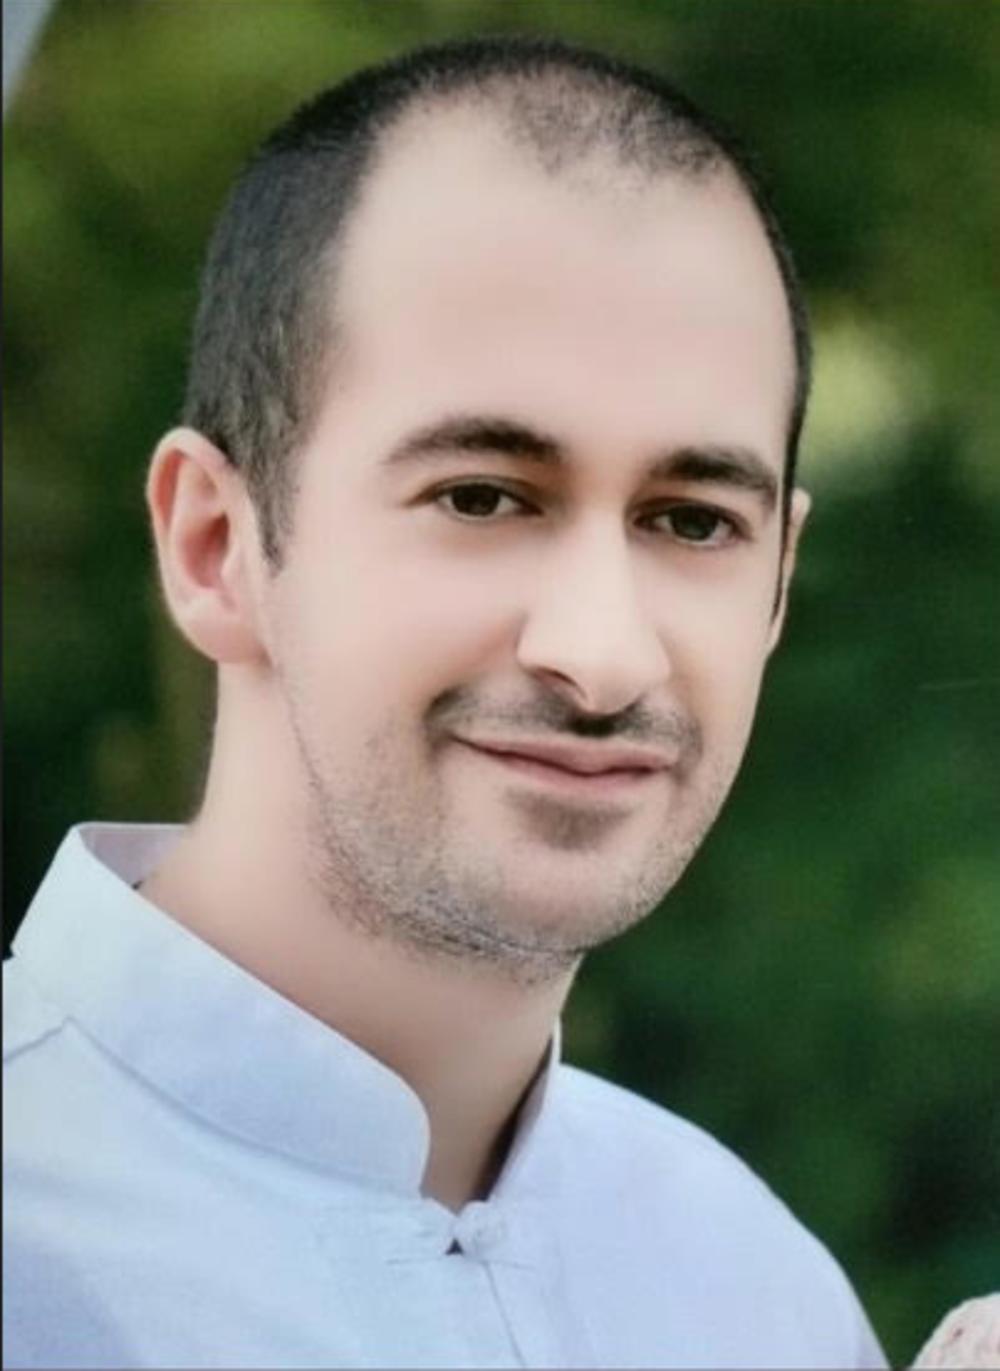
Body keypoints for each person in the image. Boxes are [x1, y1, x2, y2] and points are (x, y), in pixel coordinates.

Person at [3, 34, 887, 1370]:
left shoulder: (765, 1299)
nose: (603, 657)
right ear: (216, 546)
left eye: (692, 520)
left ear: (777, 583)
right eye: (482, 497)